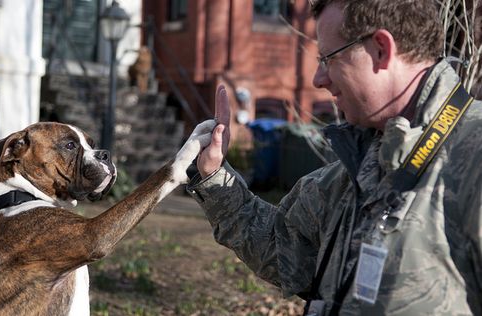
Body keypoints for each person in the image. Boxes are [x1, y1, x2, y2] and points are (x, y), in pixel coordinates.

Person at [186, 0, 482, 315]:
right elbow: (285, 251)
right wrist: (214, 175)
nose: (318, 79)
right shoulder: (360, 159)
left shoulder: (473, 155)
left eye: (329, 58)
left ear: (381, 49)